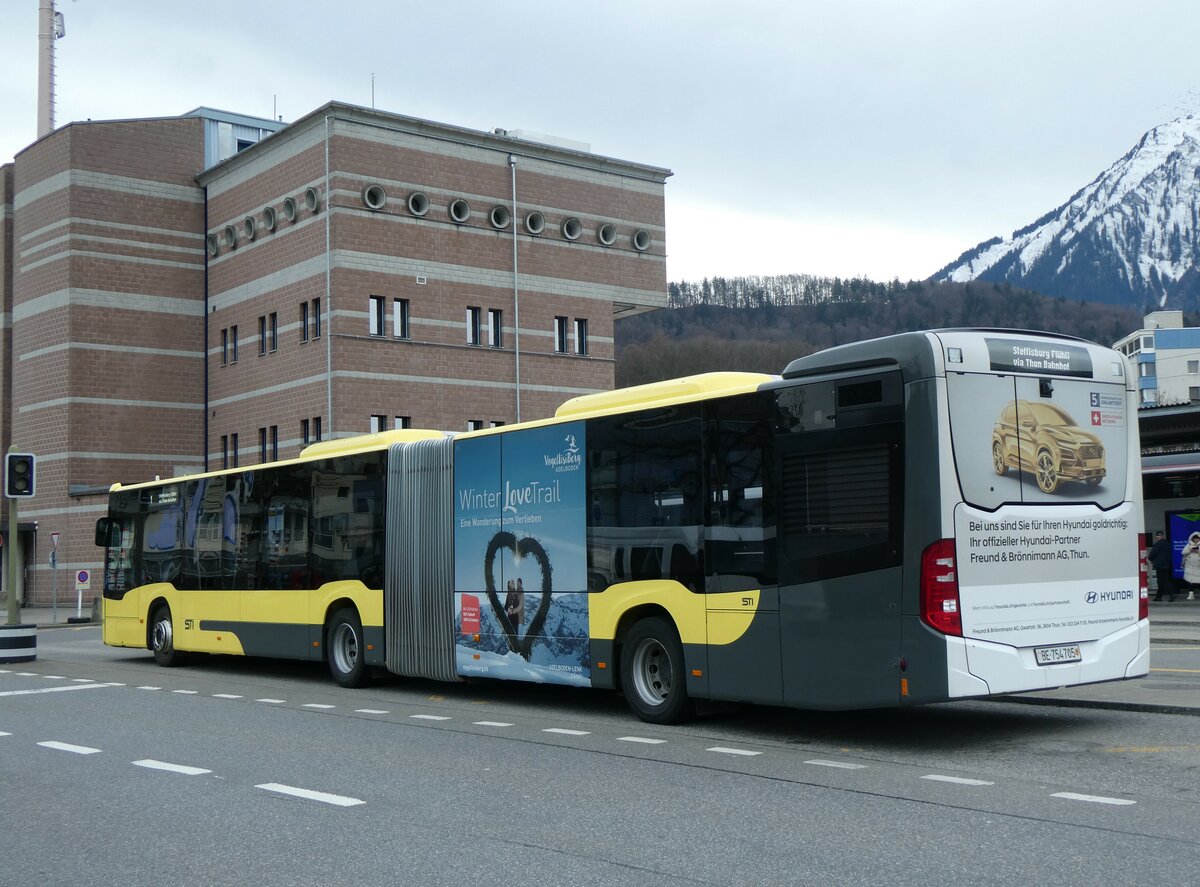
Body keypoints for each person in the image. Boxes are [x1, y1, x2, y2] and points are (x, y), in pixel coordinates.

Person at [1149, 530, 1175, 602]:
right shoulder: (1167, 544)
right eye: (1158, 535)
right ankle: (1159, 596)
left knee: (1162, 581)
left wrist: (1150, 559)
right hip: (1167, 565)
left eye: (1159, 535)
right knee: (1163, 580)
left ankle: (1170, 594)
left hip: (1159, 565)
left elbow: (1152, 554)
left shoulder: (1157, 544)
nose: (1159, 536)